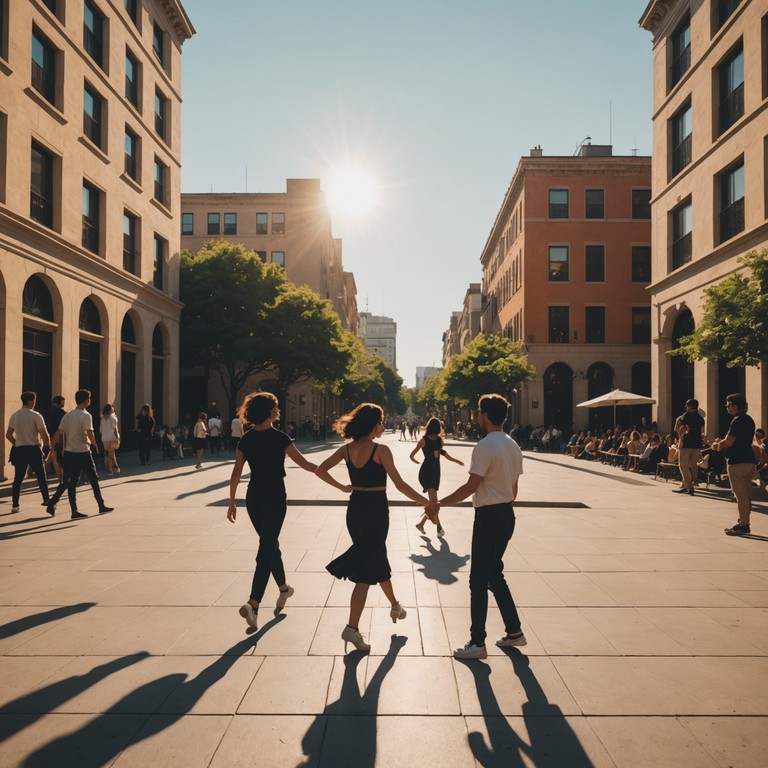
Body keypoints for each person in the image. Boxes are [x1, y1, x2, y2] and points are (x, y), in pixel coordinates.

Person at [315, 403, 432, 653]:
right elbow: (400, 485)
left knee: (375, 557)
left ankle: (395, 605)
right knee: (367, 571)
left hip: (355, 508)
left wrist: (342, 487)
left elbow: (320, 470)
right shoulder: (381, 450)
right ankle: (352, 628)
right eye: (381, 422)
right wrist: (427, 501)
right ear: (373, 424)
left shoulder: (346, 450)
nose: (383, 425)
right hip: (376, 511)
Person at [432, 393, 525, 660]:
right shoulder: (512, 445)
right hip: (507, 514)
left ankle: (477, 642)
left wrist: (440, 504)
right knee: (494, 574)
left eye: (478, 412)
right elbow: (514, 489)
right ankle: (514, 631)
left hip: (489, 517)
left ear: (484, 415)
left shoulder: (484, 446)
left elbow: (471, 487)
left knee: (478, 581)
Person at [227, 392, 318, 631]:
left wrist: (232, 501)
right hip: (274, 497)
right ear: (270, 412)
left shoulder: (246, 439)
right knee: (267, 547)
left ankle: (284, 590)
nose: (278, 411)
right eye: (276, 408)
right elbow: (306, 464)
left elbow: (237, 473)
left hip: (253, 497)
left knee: (269, 545)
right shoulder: (280, 438)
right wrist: (332, 477)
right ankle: (253, 604)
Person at [47, 389, 113, 519]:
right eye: (89, 398)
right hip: (83, 451)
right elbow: (89, 432)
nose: (90, 401)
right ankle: (101, 505)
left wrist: (52, 447)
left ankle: (74, 511)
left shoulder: (68, 415)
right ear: (86, 400)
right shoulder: (86, 415)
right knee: (93, 479)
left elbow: (58, 433)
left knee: (72, 482)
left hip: (70, 452)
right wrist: (95, 444)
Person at [410, 417, 464, 537]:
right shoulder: (426, 440)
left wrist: (456, 460)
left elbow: (442, 453)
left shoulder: (437, 440)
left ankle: (421, 524)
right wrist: (456, 461)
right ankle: (439, 528)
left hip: (434, 471)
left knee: (433, 502)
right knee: (434, 501)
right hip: (428, 472)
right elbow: (412, 455)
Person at [714, 393, 757, 536]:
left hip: (736, 461)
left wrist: (718, 445)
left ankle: (743, 525)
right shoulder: (750, 420)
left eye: (728, 404)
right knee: (747, 495)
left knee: (740, 496)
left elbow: (729, 441)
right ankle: (743, 522)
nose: (726, 406)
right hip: (749, 460)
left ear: (734, 405)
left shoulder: (736, 420)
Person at [5, 391, 52, 513]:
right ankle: (46, 500)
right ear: (30, 401)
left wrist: (17, 443)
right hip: (34, 449)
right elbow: (44, 434)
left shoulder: (15, 415)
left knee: (18, 478)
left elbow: (8, 435)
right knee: (41, 476)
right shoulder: (36, 415)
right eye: (35, 400)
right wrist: (48, 447)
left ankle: (15, 505)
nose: (35, 402)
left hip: (20, 449)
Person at [674, 398, 705, 495]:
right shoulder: (700, 418)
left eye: (686, 405)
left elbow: (678, 429)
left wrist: (677, 421)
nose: (685, 407)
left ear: (690, 406)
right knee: (692, 465)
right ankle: (686, 484)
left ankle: (688, 487)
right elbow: (702, 432)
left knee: (683, 466)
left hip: (686, 443)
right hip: (697, 444)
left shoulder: (685, 416)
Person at [45, 395, 67, 481]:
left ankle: (59, 478)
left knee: (55, 458)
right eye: (63, 401)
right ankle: (62, 477)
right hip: (60, 436)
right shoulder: (62, 413)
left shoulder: (49, 411)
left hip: (51, 435)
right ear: (60, 402)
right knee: (61, 456)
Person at [100, 404, 121, 476]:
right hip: (112, 438)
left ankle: (113, 468)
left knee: (110, 453)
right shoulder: (113, 418)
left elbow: (101, 430)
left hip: (105, 438)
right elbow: (115, 429)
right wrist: (117, 438)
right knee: (111, 454)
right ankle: (112, 469)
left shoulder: (102, 418)